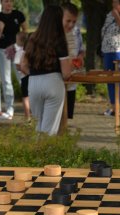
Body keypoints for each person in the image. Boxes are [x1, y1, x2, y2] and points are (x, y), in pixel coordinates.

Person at [22, 5, 71, 136]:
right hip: (53, 82)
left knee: (39, 127)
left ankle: (35, 154)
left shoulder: (31, 37)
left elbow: (23, 65)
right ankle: (44, 155)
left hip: (33, 82)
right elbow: (66, 73)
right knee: (49, 131)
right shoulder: (60, 40)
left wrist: (35, 74)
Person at [0, 0, 27, 120]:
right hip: (3, 51)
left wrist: (20, 45)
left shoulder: (18, 15)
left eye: (11, 1)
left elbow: (25, 31)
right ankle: (9, 109)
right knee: (6, 80)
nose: (9, 4)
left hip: (17, 50)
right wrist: (0, 28)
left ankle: (29, 107)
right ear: (1, 3)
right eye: (6, 1)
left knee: (22, 77)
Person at [62, 2, 85, 120]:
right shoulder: (53, 32)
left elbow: (81, 50)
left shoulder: (76, 31)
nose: (71, 24)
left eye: (74, 21)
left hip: (72, 79)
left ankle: (66, 136)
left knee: (68, 115)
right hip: (57, 81)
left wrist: (80, 57)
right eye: (68, 21)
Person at [13, 31, 30, 122]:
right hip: (33, 76)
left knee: (25, 97)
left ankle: (27, 117)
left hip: (24, 77)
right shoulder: (32, 52)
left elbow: (18, 66)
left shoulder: (19, 52)